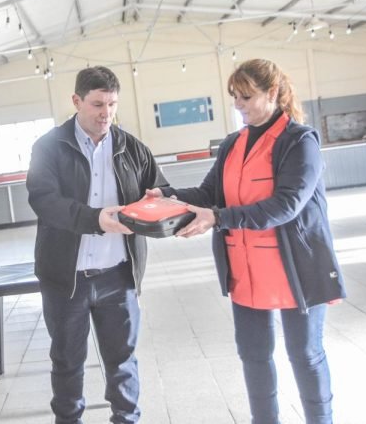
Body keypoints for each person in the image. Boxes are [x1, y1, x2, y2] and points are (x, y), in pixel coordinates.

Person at [149, 59, 346, 424]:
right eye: (235, 97)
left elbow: (286, 205)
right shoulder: (233, 144)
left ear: (272, 93)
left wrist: (219, 218)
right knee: (253, 355)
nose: (238, 105)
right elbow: (210, 193)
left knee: (305, 355)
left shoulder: (299, 141)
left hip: (295, 269)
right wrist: (168, 196)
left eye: (246, 96)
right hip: (246, 269)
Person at [26, 65, 167, 424]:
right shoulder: (49, 147)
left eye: (112, 104)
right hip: (66, 281)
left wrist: (160, 204)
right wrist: (94, 219)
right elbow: (44, 200)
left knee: (122, 362)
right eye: (98, 104)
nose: (106, 113)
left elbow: (161, 190)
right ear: (77, 101)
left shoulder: (132, 148)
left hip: (118, 278)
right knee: (67, 363)